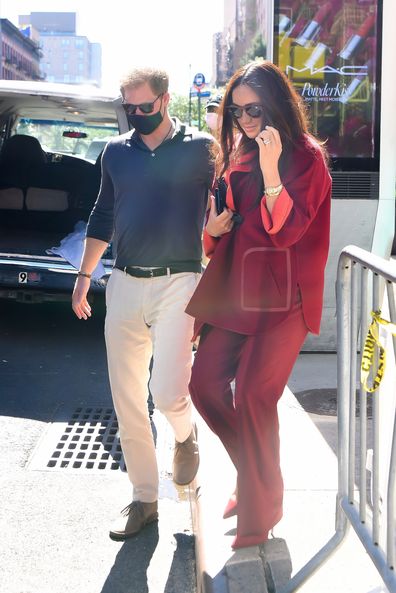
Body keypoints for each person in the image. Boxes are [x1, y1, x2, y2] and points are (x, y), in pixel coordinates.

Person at [185, 60, 332, 549]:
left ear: (276, 105)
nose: (245, 120)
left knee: (252, 395)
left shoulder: (308, 158)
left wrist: (272, 173)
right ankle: (256, 477)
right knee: (203, 386)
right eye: (236, 110)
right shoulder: (236, 152)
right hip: (234, 289)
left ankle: (260, 506)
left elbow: (288, 231)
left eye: (254, 109)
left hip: (284, 297)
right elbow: (216, 229)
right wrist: (211, 229)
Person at [72, 67, 214, 541]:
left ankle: (185, 434)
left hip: (181, 281)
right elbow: (103, 212)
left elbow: (226, 199)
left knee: (169, 389)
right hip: (126, 281)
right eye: (128, 108)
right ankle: (144, 498)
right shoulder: (116, 151)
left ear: (166, 100)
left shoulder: (201, 149)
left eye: (144, 107)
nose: (136, 115)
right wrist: (84, 274)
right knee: (128, 396)